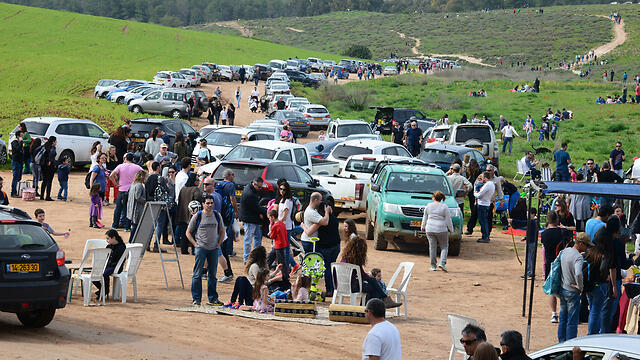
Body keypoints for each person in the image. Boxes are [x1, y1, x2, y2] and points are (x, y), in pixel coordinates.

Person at [340, 236, 401, 308]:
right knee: (373, 285)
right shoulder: (355, 262)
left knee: (371, 284)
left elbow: (360, 275)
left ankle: (368, 306)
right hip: (352, 286)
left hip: (341, 285)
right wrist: (369, 276)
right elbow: (362, 275)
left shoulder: (344, 259)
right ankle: (380, 302)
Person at [187, 195, 225, 306]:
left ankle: (213, 298)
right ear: (203, 204)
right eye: (207, 203)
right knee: (197, 274)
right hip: (201, 248)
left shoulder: (217, 215)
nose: (210, 205)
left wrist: (219, 244)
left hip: (214, 249)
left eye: (211, 203)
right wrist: (195, 244)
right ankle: (196, 299)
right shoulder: (198, 216)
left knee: (213, 275)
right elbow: (188, 232)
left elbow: (222, 231)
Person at [584, 218, 619, 335]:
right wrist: (614, 286)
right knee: (596, 311)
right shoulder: (608, 243)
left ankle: (591, 334)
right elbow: (611, 266)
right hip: (599, 281)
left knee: (593, 309)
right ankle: (592, 335)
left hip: (589, 280)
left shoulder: (598, 234)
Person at [558, 233, 593, 342]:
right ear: (581, 244)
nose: (587, 248)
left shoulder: (565, 251)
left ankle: (561, 342)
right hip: (572, 291)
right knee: (572, 321)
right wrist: (580, 286)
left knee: (563, 318)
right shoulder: (578, 257)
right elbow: (578, 273)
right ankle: (569, 343)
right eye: (586, 245)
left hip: (563, 288)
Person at [421, 190, 454, 271]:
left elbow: (425, 217)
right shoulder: (444, 207)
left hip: (430, 228)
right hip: (441, 229)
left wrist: (422, 227)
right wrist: (451, 229)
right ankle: (442, 263)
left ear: (433, 197)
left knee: (432, 247)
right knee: (444, 246)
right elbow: (448, 219)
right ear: (441, 198)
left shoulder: (428, 205)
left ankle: (433, 266)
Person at [109, 153, 143, 231]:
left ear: (125, 159)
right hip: (131, 190)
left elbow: (111, 175)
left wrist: (115, 184)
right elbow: (143, 174)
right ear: (133, 159)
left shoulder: (120, 166)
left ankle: (115, 225)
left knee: (118, 208)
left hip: (121, 189)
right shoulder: (137, 167)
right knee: (129, 209)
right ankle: (127, 227)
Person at [542, 210, 564, 323]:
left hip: (550, 263)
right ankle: (563, 312)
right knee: (563, 288)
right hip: (561, 262)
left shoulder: (544, 234)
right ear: (557, 220)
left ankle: (554, 314)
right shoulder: (562, 232)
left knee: (551, 290)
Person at [315, 197, 340, 296]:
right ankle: (335, 288)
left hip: (326, 247)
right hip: (336, 246)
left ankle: (330, 289)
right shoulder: (334, 218)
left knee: (328, 269)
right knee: (333, 268)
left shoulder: (323, 221)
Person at [273, 180, 299, 274]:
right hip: (283, 227)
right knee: (283, 249)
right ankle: (292, 266)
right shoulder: (282, 199)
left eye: (284, 189)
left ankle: (286, 269)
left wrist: (277, 224)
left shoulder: (287, 201)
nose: (282, 191)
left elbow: (284, 216)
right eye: (280, 189)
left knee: (285, 250)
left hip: (285, 228)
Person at [93, 229, 126, 301]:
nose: (107, 240)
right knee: (94, 274)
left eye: (108, 238)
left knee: (105, 274)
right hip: (108, 266)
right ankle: (103, 289)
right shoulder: (109, 246)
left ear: (114, 238)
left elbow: (119, 260)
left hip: (116, 266)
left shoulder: (121, 247)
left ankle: (104, 290)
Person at [239, 178, 266, 262]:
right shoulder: (250, 194)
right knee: (249, 239)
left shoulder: (249, 187)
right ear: (254, 184)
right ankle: (246, 259)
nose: (260, 189)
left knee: (257, 237)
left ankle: (255, 256)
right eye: (259, 187)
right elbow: (256, 208)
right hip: (249, 219)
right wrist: (266, 211)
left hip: (252, 218)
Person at [176, 173, 203, 254]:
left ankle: (184, 250)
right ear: (194, 181)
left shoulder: (183, 189)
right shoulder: (195, 190)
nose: (198, 182)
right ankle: (194, 250)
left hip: (182, 214)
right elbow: (198, 199)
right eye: (197, 180)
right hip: (192, 215)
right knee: (194, 233)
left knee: (184, 233)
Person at [267, 209, 289, 282]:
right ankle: (265, 269)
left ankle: (285, 276)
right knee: (271, 257)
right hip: (282, 244)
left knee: (280, 261)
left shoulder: (275, 226)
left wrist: (270, 232)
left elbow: (272, 236)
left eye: (270, 218)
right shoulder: (282, 223)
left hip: (278, 245)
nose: (269, 219)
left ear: (273, 217)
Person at [474, 171, 495, 243]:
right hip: (487, 203)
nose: (482, 179)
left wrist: (475, 193)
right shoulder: (491, 184)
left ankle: (485, 236)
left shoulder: (487, 185)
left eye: (483, 177)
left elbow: (479, 195)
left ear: (486, 178)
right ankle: (486, 235)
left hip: (483, 204)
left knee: (483, 221)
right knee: (484, 220)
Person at [127, 170, 147, 243]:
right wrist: (145, 201)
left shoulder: (133, 184)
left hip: (132, 207)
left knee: (135, 225)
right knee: (135, 225)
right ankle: (132, 241)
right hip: (137, 208)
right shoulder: (139, 185)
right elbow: (137, 197)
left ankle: (132, 240)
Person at [465, 159, 481, 235]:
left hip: (474, 195)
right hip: (475, 195)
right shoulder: (476, 173)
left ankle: (470, 228)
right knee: (475, 212)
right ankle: (470, 228)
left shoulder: (472, 174)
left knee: (474, 212)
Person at [39, 136, 57, 201]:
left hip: (43, 165)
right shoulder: (53, 148)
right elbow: (52, 155)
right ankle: (48, 196)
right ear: (53, 142)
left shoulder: (45, 146)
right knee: (49, 181)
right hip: (50, 166)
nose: (56, 142)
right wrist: (50, 161)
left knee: (44, 181)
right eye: (55, 141)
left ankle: (41, 196)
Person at [10, 130, 24, 198]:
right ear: (18, 136)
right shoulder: (14, 142)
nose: (23, 137)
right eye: (21, 136)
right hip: (15, 162)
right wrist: (20, 142)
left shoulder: (21, 142)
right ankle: (13, 192)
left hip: (20, 162)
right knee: (15, 177)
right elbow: (18, 149)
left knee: (19, 177)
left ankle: (17, 191)